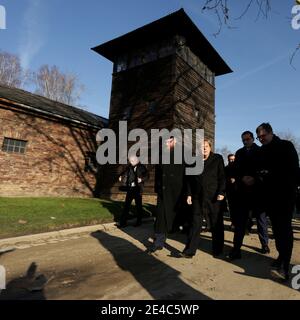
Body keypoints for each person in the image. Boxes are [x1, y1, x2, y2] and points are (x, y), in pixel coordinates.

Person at [256, 123, 299, 281]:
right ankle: (281, 256)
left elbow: (294, 169)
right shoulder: (261, 151)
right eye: (258, 137)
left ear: (271, 133)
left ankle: (285, 265)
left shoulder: (286, 146)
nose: (261, 139)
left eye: (263, 136)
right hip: (270, 197)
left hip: (285, 195)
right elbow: (258, 169)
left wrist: (271, 173)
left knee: (285, 230)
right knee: (277, 230)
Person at [227, 131, 270, 261]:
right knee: (240, 222)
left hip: (257, 192)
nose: (245, 142)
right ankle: (236, 249)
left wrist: (255, 178)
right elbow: (236, 170)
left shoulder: (261, 151)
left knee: (261, 220)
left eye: (247, 139)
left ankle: (265, 244)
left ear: (252, 138)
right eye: (243, 140)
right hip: (242, 192)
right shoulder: (239, 153)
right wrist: (242, 178)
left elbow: (265, 169)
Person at [181, 139, 226, 258]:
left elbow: (222, 177)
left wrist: (221, 192)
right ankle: (190, 250)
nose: (204, 148)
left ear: (210, 147)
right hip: (197, 197)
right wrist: (189, 194)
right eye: (202, 146)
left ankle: (217, 249)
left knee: (216, 224)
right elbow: (189, 180)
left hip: (214, 197)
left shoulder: (217, 159)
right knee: (195, 223)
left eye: (206, 146)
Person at [147, 136, 185, 253]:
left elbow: (187, 174)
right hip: (163, 192)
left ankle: (187, 240)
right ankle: (158, 242)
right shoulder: (161, 154)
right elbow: (158, 174)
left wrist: (187, 192)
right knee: (160, 218)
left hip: (177, 192)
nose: (166, 143)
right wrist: (157, 189)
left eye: (169, 141)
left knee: (178, 216)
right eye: (166, 141)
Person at [118, 155, 148, 228]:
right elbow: (124, 173)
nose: (131, 162)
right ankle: (123, 223)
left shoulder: (141, 167)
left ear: (136, 160)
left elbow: (147, 175)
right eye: (130, 161)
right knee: (126, 206)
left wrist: (141, 179)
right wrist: (121, 176)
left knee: (138, 206)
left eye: (132, 161)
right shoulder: (129, 167)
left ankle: (139, 221)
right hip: (130, 189)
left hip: (138, 189)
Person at [225, 154, 238, 228]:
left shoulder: (239, 168)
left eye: (233, 159)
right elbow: (223, 178)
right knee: (231, 208)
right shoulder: (226, 168)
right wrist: (229, 180)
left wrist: (235, 179)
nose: (232, 161)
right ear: (228, 160)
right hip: (229, 191)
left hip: (238, 191)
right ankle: (233, 222)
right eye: (230, 159)